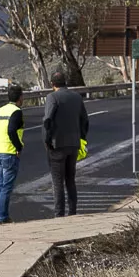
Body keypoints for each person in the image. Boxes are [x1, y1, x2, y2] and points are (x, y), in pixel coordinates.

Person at [41, 80, 89, 216]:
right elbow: (84, 120)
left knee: (57, 182)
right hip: (74, 144)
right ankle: (72, 212)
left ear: (52, 84)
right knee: (70, 180)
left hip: (57, 145)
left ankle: (59, 214)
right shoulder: (76, 97)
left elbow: (48, 120)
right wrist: (82, 138)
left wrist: (47, 140)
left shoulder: (52, 97)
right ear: (65, 82)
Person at [0, 84, 26, 223]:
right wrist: (18, 146)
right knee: (6, 186)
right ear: (20, 98)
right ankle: (3, 217)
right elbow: (11, 130)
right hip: (9, 152)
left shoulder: (0, 110)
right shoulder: (16, 111)